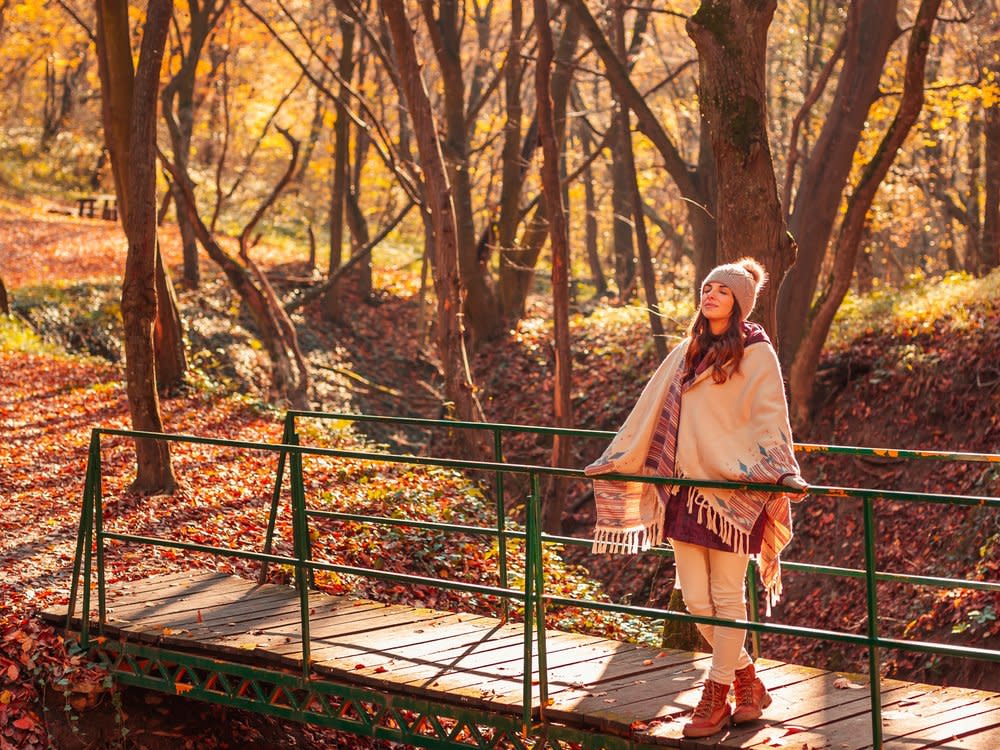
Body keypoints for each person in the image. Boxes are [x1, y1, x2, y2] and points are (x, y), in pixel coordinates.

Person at [585, 257, 808, 738]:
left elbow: (772, 417)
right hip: (685, 489)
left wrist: (784, 471)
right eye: (706, 288)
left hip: (733, 492)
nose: (709, 295)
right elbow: (649, 411)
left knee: (727, 597)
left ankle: (715, 695)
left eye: (721, 291)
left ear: (739, 302)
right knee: (694, 599)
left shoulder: (756, 351)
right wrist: (618, 456)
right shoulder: (687, 351)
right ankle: (748, 681)